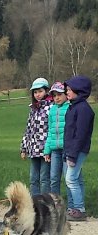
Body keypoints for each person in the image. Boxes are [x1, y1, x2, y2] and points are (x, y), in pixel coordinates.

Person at [63, 75, 94, 221]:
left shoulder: (83, 110)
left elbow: (80, 135)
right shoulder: (73, 107)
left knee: (71, 179)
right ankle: (76, 208)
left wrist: (73, 155)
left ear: (79, 91)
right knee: (77, 178)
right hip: (70, 149)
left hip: (78, 150)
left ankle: (79, 209)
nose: (66, 92)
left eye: (69, 89)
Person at [20, 77, 52, 196]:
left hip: (46, 150)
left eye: (40, 91)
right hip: (33, 149)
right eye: (35, 92)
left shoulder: (51, 108)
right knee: (33, 179)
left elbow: (52, 129)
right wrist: (23, 148)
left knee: (44, 178)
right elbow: (28, 130)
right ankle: (34, 203)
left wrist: (49, 148)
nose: (38, 94)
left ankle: (44, 203)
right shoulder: (33, 109)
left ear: (46, 91)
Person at [43, 81, 69, 195]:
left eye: (59, 94)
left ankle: (72, 207)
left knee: (69, 178)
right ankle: (55, 204)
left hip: (67, 149)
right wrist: (47, 150)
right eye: (54, 95)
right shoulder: (52, 110)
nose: (56, 98)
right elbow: (50, 131)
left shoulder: (70, 108)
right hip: (55, 150)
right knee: (54, 178)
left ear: (65, 94)